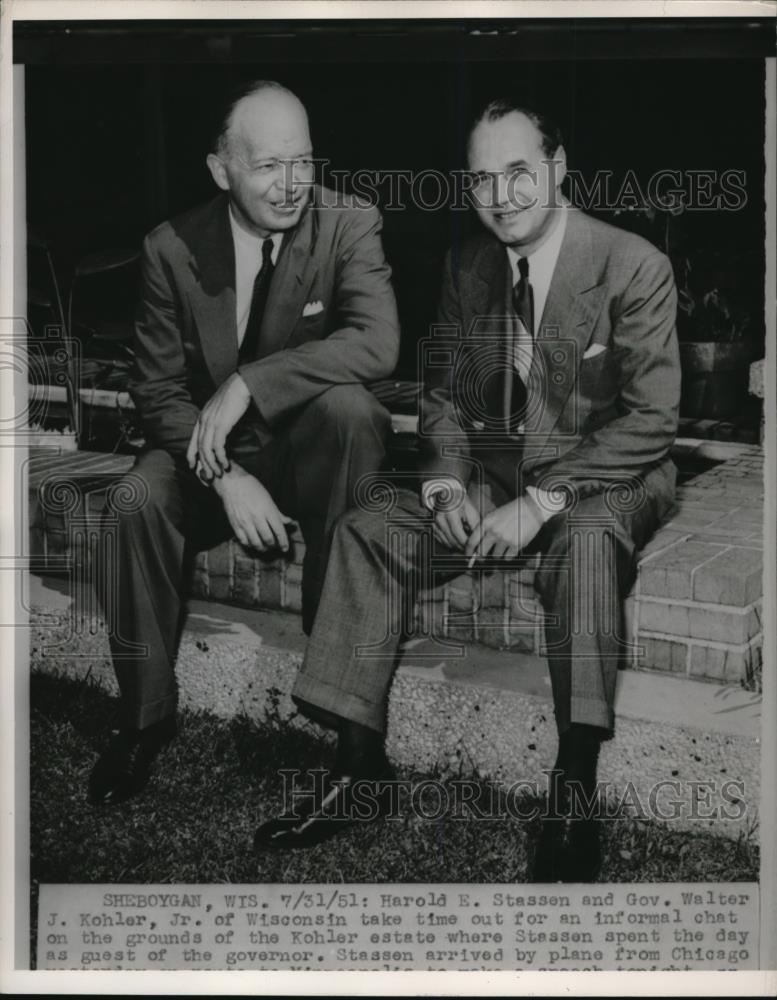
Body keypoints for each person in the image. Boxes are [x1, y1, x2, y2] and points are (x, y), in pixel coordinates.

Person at [254, 98, 680, 883]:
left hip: (605, 473)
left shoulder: (631, 263)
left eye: (518, 172)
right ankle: (359, 768)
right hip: (490, 473)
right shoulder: (467, 266)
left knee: (584, 547)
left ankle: (573, 790)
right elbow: (446, 397)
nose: (500, 196)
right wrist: (447, 484)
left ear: (556, 168)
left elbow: (653, 421)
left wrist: (541, 503)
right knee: (364, 526)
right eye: (482, 178)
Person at [89, 81, 400, 806]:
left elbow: (378, 343)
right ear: (221, 168)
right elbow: (158, 394)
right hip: (209, 460)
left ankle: (350, 715)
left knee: (354, 412)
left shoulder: (347, 222)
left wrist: (250, 383)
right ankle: (141, 721)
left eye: (303, 161)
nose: (291, 185)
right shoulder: (171, 248)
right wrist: (226, 477)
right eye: (267, 166)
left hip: (308, 453)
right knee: (134, 498)